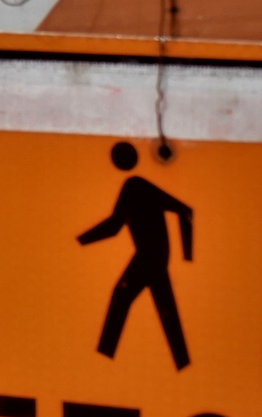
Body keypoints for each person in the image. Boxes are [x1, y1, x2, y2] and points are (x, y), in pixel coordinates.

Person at [78, 141, 194, 369]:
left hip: (152, 255)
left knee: (121, 297)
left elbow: (186, 211)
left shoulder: (136, 185)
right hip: (151, 255)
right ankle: (183, 363)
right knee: (164, 308)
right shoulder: (129, 187)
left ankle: (102, 359)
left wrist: (187, 255)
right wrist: (81, 240)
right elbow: (114, 225)